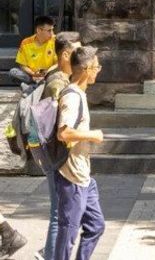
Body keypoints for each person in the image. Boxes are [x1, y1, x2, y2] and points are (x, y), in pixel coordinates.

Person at [54, 46, 106, 260]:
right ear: (85, 69)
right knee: (68, 231)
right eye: (96, 66)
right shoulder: (73, 97)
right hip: (72, 176)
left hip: (84, 175)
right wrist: (92, 135)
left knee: (96, 225)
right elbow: (63, 134)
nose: (98, 71)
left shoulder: (79, 94)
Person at [36, 34, 79, 260]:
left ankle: (49, 252)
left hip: (54, 153)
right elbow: (58, 124)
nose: (80, 56)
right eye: (76, 51)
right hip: (55, 153)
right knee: (58, 213)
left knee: (62, 211)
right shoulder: (58, 82)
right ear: (65, 54)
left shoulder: (59, 76)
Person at [9, 15, 56, 86]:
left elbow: (59, 64)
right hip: (32, 76)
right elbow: (22, 65)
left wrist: (47, 73)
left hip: (49, 76)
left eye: (52, 30)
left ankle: (31, 88)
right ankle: (35, 86)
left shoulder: (55, 41)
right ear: (39, 30)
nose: (52, 34)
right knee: (13, 72)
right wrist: (34, 74)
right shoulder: (26, 43)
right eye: (49, 30)